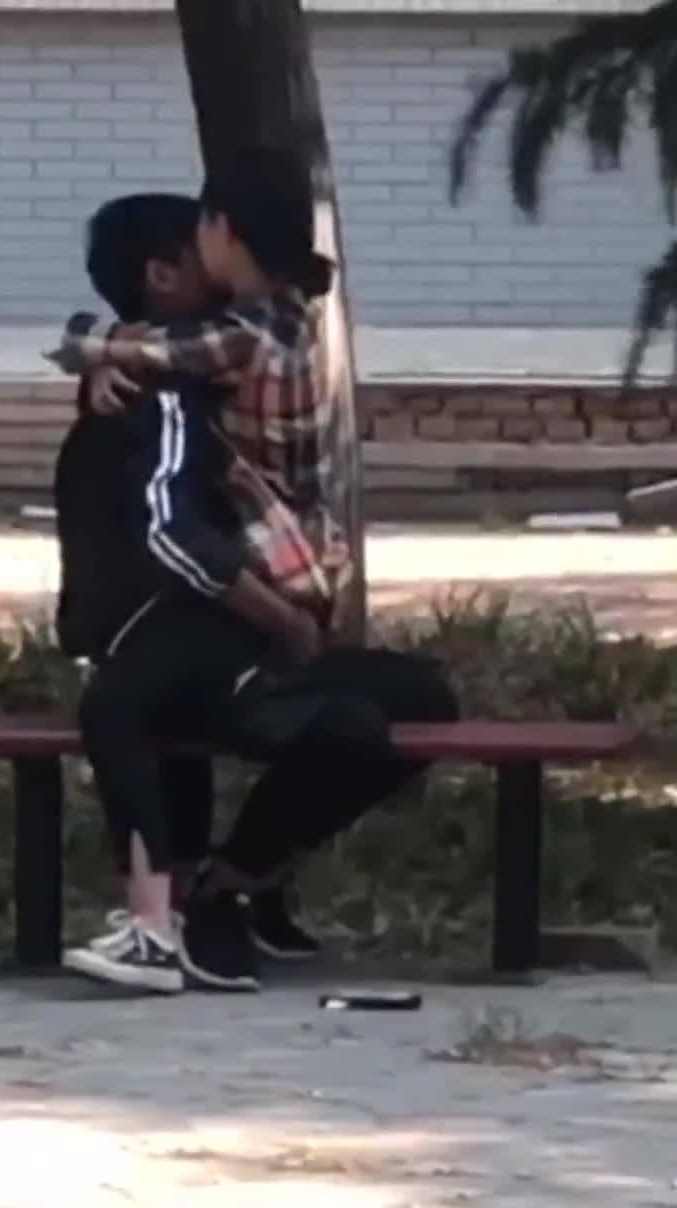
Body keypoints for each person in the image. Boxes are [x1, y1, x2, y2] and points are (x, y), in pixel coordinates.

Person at [53, 191, 460, 996]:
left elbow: (138, 341)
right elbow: (175, 538)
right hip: (184, 635)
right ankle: (164, 917)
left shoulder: (222, 354)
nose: (217, 255)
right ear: (165, 276)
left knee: (418, 699)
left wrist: (97, 349)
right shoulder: (162, 391)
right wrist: (280, 617)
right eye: (201, 243)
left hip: (230, 633)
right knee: (325, 725)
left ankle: (233, 887)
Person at [50, 148, 347, 625]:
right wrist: (106, 364)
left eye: (204, 226)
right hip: (302, 555)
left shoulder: (234, 341)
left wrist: (101, 354)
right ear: (161, 275)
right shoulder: (295, 307)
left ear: (224, 231)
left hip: (269, 562)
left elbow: (111, 343)